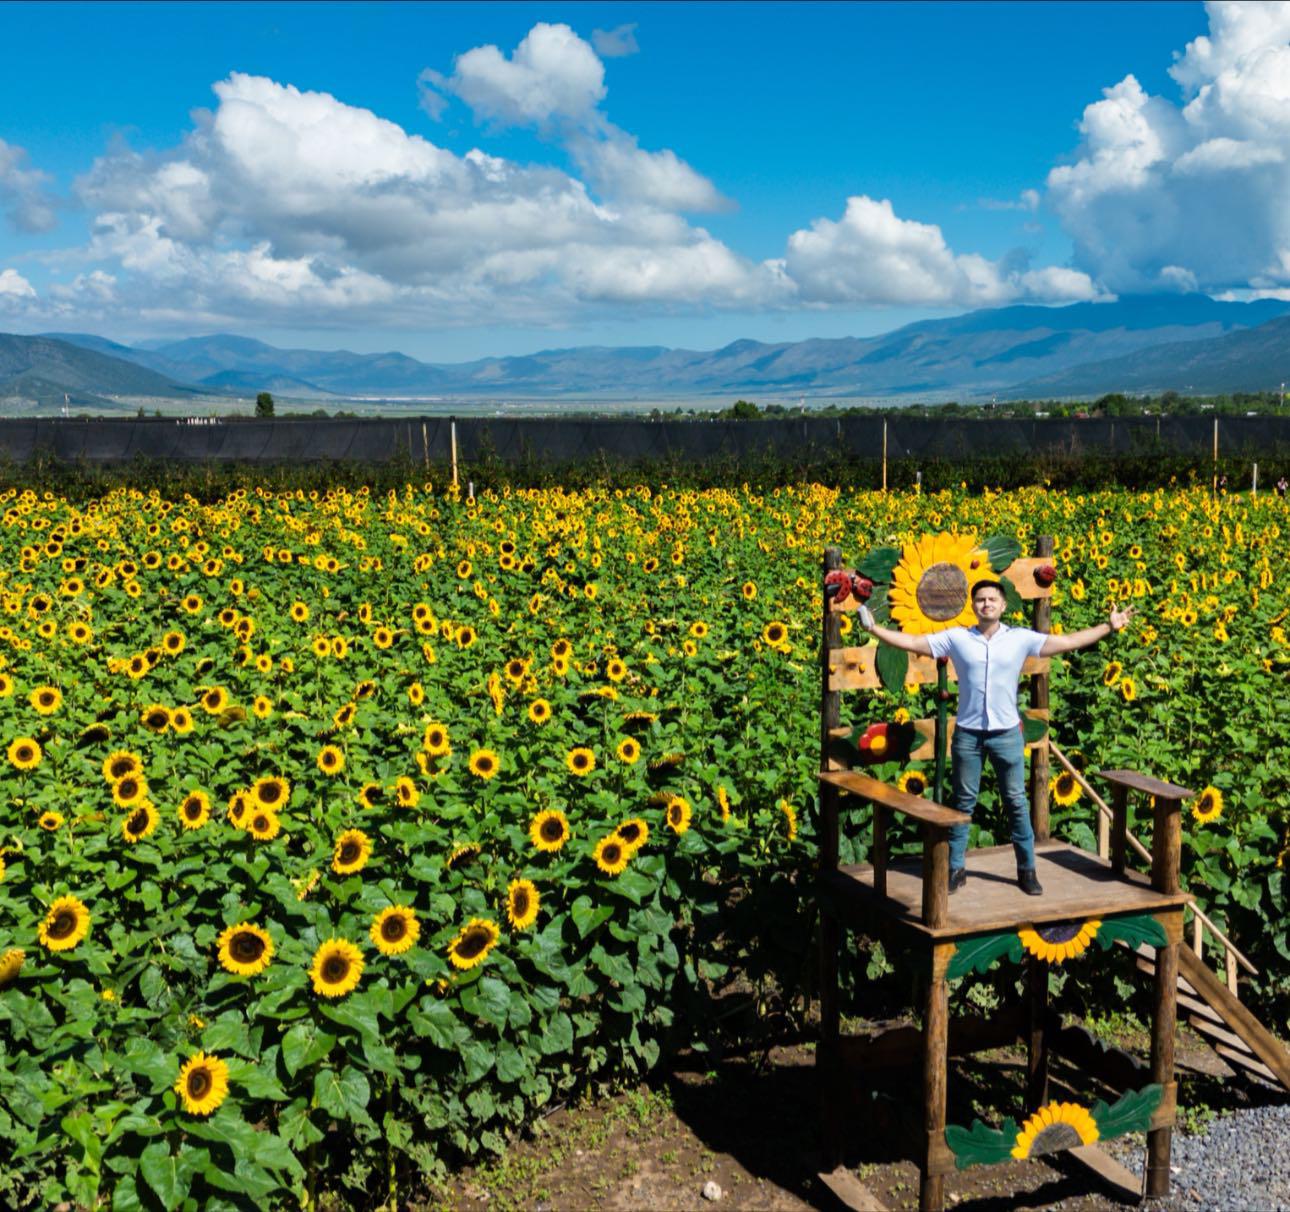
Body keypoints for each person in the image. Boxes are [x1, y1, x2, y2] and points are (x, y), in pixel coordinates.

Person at [858, 580, 1133, 896]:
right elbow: (915, 642)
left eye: (992, 599)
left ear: (1003, 606)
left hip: (1006, 735)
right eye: (980, 600)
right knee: (962, 803)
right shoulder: (958, 638)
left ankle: (1027, 869)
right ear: (973, 606)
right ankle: (955, 868)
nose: (986, 604)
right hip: (968, 735)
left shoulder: (1019, 639)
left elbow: (1067, 641)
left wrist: (1108, 627)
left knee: (1016, 801)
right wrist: (875, 631)